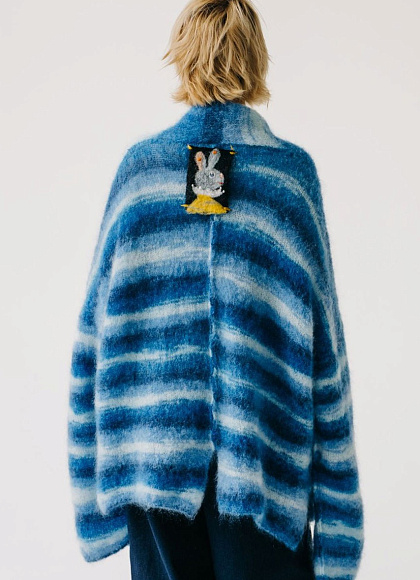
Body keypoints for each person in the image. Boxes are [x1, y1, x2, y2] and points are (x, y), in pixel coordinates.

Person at [67, 1, 364, 579]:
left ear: (181, 55)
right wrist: (339, 525)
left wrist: (92, 505)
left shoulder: (140, 175)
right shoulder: (288, 180)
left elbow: (90, 343)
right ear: (257, 57)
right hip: (263, 473)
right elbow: (326, 357)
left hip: (151, 472)